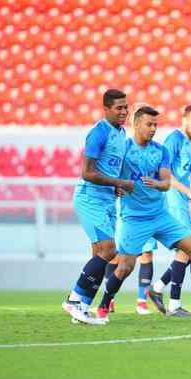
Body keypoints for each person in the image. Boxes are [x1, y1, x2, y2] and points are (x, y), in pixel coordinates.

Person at [96, 105, 191, 323]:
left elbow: (166, 181)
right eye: (149, 124)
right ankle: (104, 303)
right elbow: (107, 175)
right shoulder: (125, 149)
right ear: (136, 124)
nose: (154, 128)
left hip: (160, 214)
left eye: (156, 124)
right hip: (136, 218)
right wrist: (116, 187)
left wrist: (159, 184)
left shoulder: (162, 150)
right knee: (126, 266)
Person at [136, 104, 191, 324]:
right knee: (187, 250)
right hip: (171, 200)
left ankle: (158, 288)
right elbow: (167, 177)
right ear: (184, 119)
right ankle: (174, 304)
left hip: (182, 202)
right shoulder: (174, 139)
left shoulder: (189, 143)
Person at [62, 89, 133, 325]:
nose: (124, 112)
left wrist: (116, 187)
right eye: (118, 108)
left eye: (126, 107)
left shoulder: (122, 134)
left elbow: (110, 170)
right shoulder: (98, 133)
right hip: (90, 197)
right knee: (109, 249)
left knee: (99, 253)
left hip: (107, 199)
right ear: (106, 109)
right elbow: (87, 172)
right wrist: (118, 182)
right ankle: (73, 300)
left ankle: (82, 308)